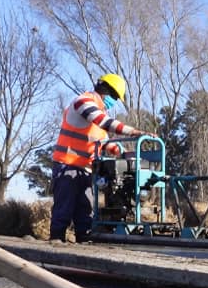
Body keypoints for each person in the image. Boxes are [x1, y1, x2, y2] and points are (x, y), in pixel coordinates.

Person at [50, 73, 149, 242]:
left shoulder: (98, 115)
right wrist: (133, 132)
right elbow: (104, 121)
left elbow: (103, 142)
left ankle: (84, 241)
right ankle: (56, 240)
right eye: (114, 98)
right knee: (64, 207)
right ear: (106, 90)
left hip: (85, 170)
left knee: (86, 210)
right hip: (67, 166)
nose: (114, 102)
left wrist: (123, 153)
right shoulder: (83, 102)